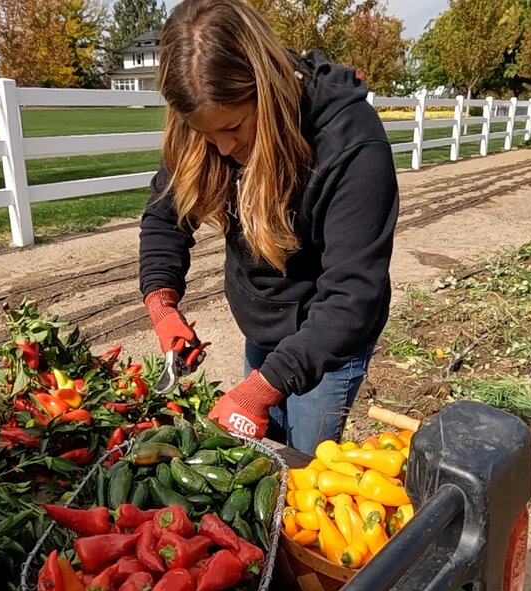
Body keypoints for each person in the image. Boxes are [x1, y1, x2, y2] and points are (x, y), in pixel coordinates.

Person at [138, 0, 398, 456]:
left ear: (268, 89)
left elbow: (353, 295)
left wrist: (263, 388)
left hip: (326, 335)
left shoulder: (350, 143)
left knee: (302, 466)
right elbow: (164, 216)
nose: (221, 146)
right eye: (206, 134)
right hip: (262, 326)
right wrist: (162, 303)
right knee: (260, 458)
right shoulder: (211, 132)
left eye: (234, 126)